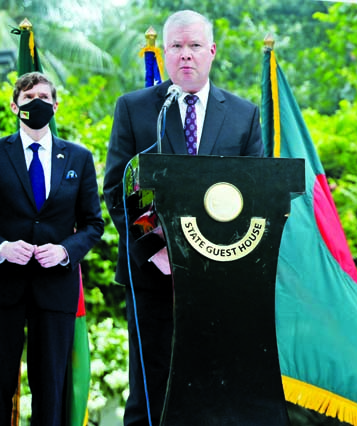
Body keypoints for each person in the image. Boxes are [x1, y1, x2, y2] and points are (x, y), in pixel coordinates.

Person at [102, 9, 263, 425]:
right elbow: (119, 190)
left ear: (211, 52)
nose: (185, 55)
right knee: (151, 390)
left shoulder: (244, 115)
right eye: (176, 46)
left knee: (212, 386)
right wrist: (158, 249)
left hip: (220, 275)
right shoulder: (137, 109)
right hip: (155, 275)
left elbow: (257, 193)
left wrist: (218, 253)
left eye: (194, 46)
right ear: (165, 53)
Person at [0, 72, 104, 425]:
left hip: (55, 291)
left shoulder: (79, 158)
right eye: (28, 98)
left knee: (51, 389)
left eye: (43, 97)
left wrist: (65, 251)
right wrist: (1, 248)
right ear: (15, 106)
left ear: (55, 106)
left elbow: (93, 224)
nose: (36, 103)